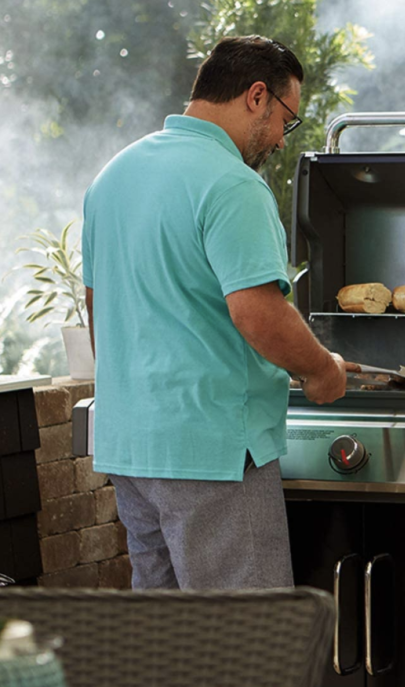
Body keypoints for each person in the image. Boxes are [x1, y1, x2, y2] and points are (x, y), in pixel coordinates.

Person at [81, 35, 347, 590]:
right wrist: (322, 371)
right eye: (285, 119)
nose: (279, 138)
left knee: (164, 645)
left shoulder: (113, 176)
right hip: (212, 452)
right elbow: (258, 314)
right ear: (257, 96)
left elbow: (95, 308)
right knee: (247, 646)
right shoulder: (232, 184)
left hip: (130, 447)